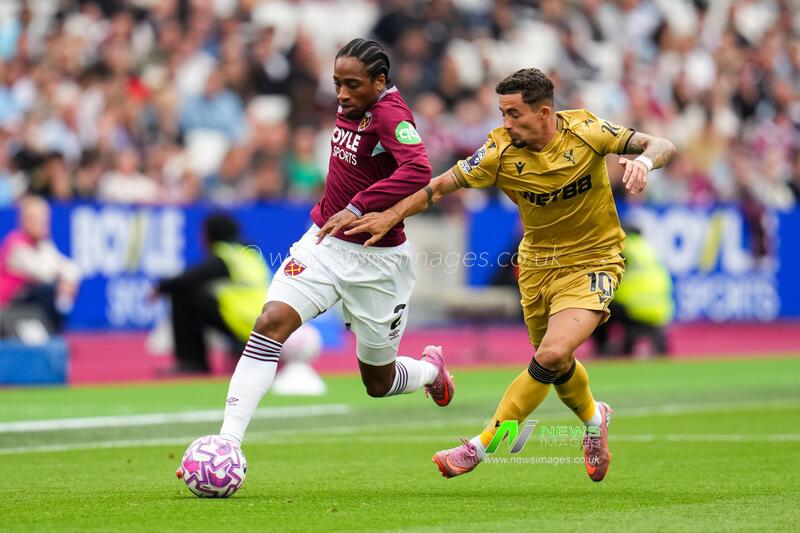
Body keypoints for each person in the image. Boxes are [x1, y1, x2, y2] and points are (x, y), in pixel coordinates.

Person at [346, 68, 676, 481]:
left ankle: (480, 445)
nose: (505, 123)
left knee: (550, 355)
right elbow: (440, 186)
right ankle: (595, 420)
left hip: (594, 260)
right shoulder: (498, 151)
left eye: (514, 114)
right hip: (537, 268)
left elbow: (662, 144)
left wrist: (644, 161)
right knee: (555, 362)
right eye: (502, 113)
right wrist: (390, 215)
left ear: (544, 113)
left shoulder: (586, 131)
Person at [214, 38, 455, 449]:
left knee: (378, 382)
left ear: (380, 81)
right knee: (269, 323)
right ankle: (227, 443)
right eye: (337, 83)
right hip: (324, 243)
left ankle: (430, 371)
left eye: (352, 85)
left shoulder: (391, 114)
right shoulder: (353, 105)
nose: (342, 94)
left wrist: (358, 206)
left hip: (378, 261)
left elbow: (418, 169)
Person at [155, 213, 269, 374]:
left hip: (242, 323)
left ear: (211, 235)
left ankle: (191, 362)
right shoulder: (250, 253)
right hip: (263, 322)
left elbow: (189, 277)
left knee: (183, 293)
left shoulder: (226, 255)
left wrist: (159, 288)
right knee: (199, 294)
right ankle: (239, 347)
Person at [0, 195, 80, 334]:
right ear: (24, 221)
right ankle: (51, 331)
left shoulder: (43, 243)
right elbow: (44, 273)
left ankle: (54, 330)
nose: (42, 224)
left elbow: (70, 268)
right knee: (47, 290)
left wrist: (67, 281)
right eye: (36, 220)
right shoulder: (16, 245)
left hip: (30, 301)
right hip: (9, 305)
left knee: (61, 289)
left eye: (44, 220)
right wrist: (62, 278)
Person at [593, 225, 674, 357]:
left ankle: (603, 346)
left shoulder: (622, 249)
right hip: (661, 310)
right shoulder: (646, 248)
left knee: (593, 304)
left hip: (634, 308)